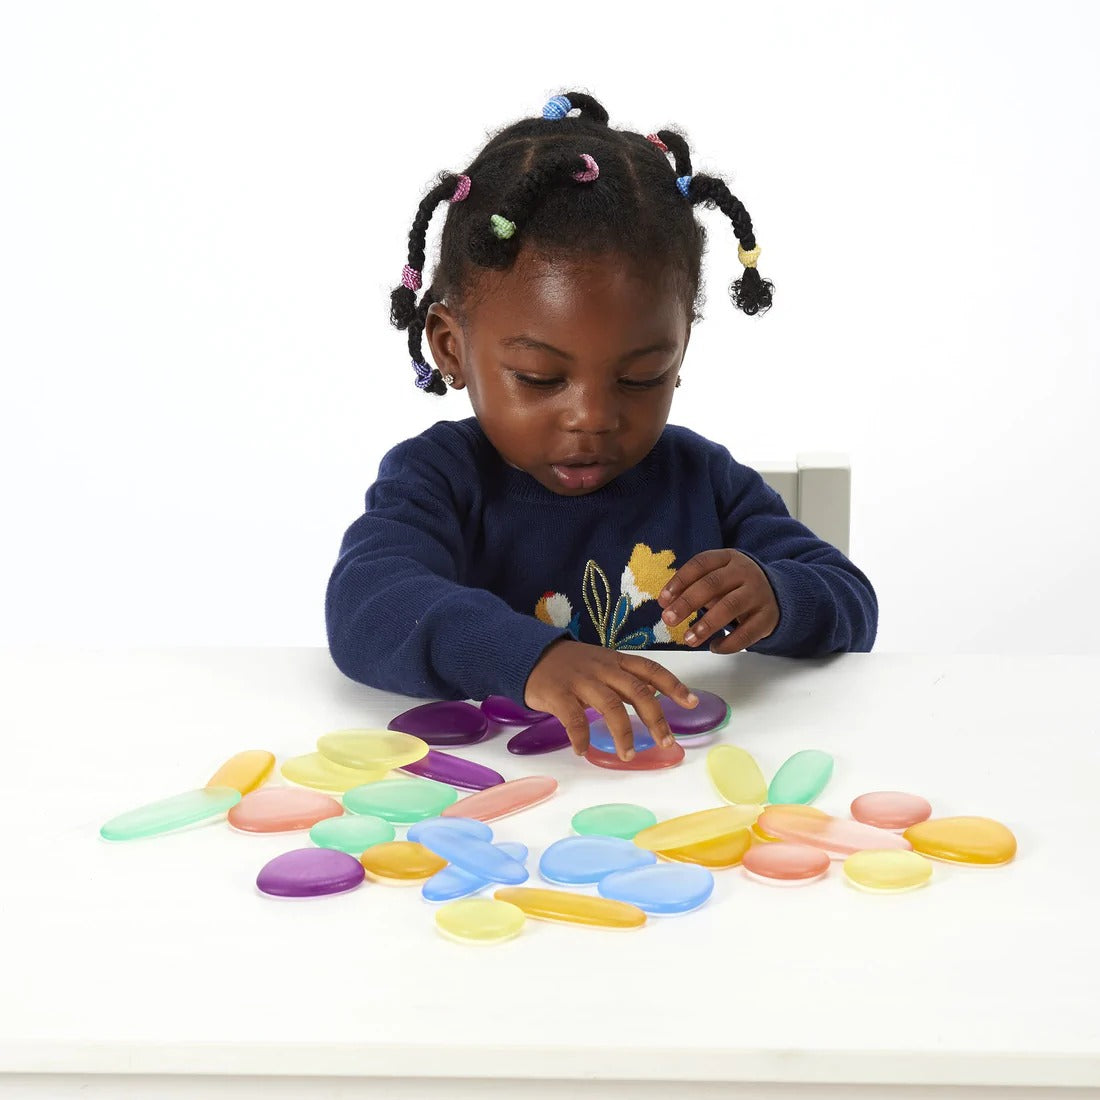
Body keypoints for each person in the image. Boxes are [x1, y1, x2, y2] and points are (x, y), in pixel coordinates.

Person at [325, 90, 878, 762]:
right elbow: (366, 607)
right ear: (450, 348)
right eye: (539, 377)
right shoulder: (440, 479)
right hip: (495, 805)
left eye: (641, 378)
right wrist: (533, 661)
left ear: (679, 353)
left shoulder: (703, 481)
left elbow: (852, 602)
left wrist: (777, 593)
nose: (593, 417)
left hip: (686, 806)